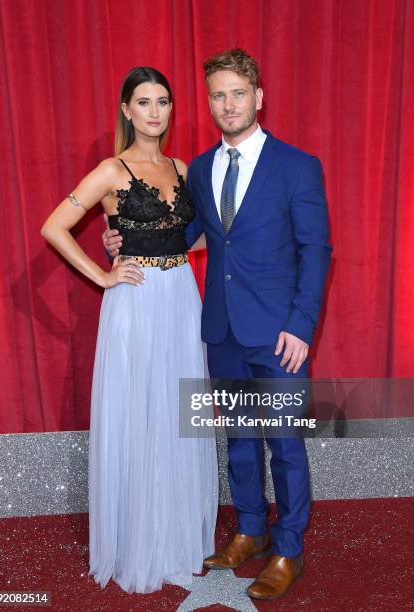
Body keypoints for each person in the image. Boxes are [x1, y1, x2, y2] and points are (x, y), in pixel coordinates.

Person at [104, 49, 332, 602]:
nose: (227, 104)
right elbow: (188, 236)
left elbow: (316, 249)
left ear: (258, 97)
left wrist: (301, 325)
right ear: (207, 103)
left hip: (281, 336)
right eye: (217, 95)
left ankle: (288, 548)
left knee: (285, 445)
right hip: (220, 330)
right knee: (240, 443)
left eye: (237, 93)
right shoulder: (200, 168)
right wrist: (125, 243)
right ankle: (250, 530)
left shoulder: (297, 165)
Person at [41, 66, 218, 594]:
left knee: (176, 411)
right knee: (139, 410)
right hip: (135, 302)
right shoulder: (110, 170)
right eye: (144, 102)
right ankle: (138, 541)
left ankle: (175, 536)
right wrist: (103, 273)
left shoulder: (182, 167)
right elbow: (54, 226)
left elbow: (196, 238)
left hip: (182, 298)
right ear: (126, 110)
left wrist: (168, 248)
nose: (155, 111)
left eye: (163, 101)